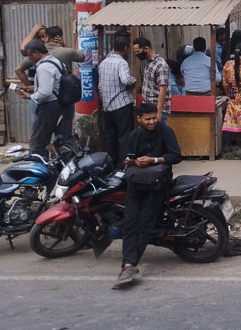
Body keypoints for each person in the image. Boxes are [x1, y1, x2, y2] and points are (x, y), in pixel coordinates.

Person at [113, 103, 182, 290]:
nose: (152, 122)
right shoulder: (134, 136)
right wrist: (132, 161)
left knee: (145, 224)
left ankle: (129, 265)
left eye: (154, 118)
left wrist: (154, 160)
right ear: (139, 120)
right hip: (136, 185)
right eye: (148, 119)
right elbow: (127, 158)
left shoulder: (165, 132)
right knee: (130, 223)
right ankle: (128, 264)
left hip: (158, 186)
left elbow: (176, 156)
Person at [15, 25, 85, 128]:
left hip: (42, 96)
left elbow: (19, 67)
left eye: (43, 36)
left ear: (47, 37)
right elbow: (82, 57)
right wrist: (64, 45)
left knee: (39, 127)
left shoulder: (37, 53)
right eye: (39, 37)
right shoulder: (66, 51)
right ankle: (61, 142)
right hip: (64, 95)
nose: (42, 39)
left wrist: (32, 89)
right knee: (64, 126)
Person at [17, 40, 73, 157]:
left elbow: (45, 92)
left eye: (29, 55)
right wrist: (32, 88)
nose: (29, 58)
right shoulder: (56, 61)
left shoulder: (43, 67)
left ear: (36, 53)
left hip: (49, 107)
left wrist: (30, 96)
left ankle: (39, 166)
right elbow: (53, 85)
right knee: (61, 138)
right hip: (61, 104)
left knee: (38, 142)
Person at [98, 36, 137, 164]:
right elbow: (126, 80)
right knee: (124, 136)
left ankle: (109, 163)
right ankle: (122, 164)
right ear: (125, 48)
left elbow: (100, 85)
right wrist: (134, 80)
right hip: (121, 104)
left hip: (107, 106)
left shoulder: (103, 62)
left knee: (109, 136)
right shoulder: (122, 63)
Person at [132, 37, 170, 123]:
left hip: (156, 110)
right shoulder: (149, 63)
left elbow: (163, 89)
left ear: (146, 48)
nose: (137, 54)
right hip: (148, 108)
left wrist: (158, 113)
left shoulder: (160, 64)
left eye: (138, 52)